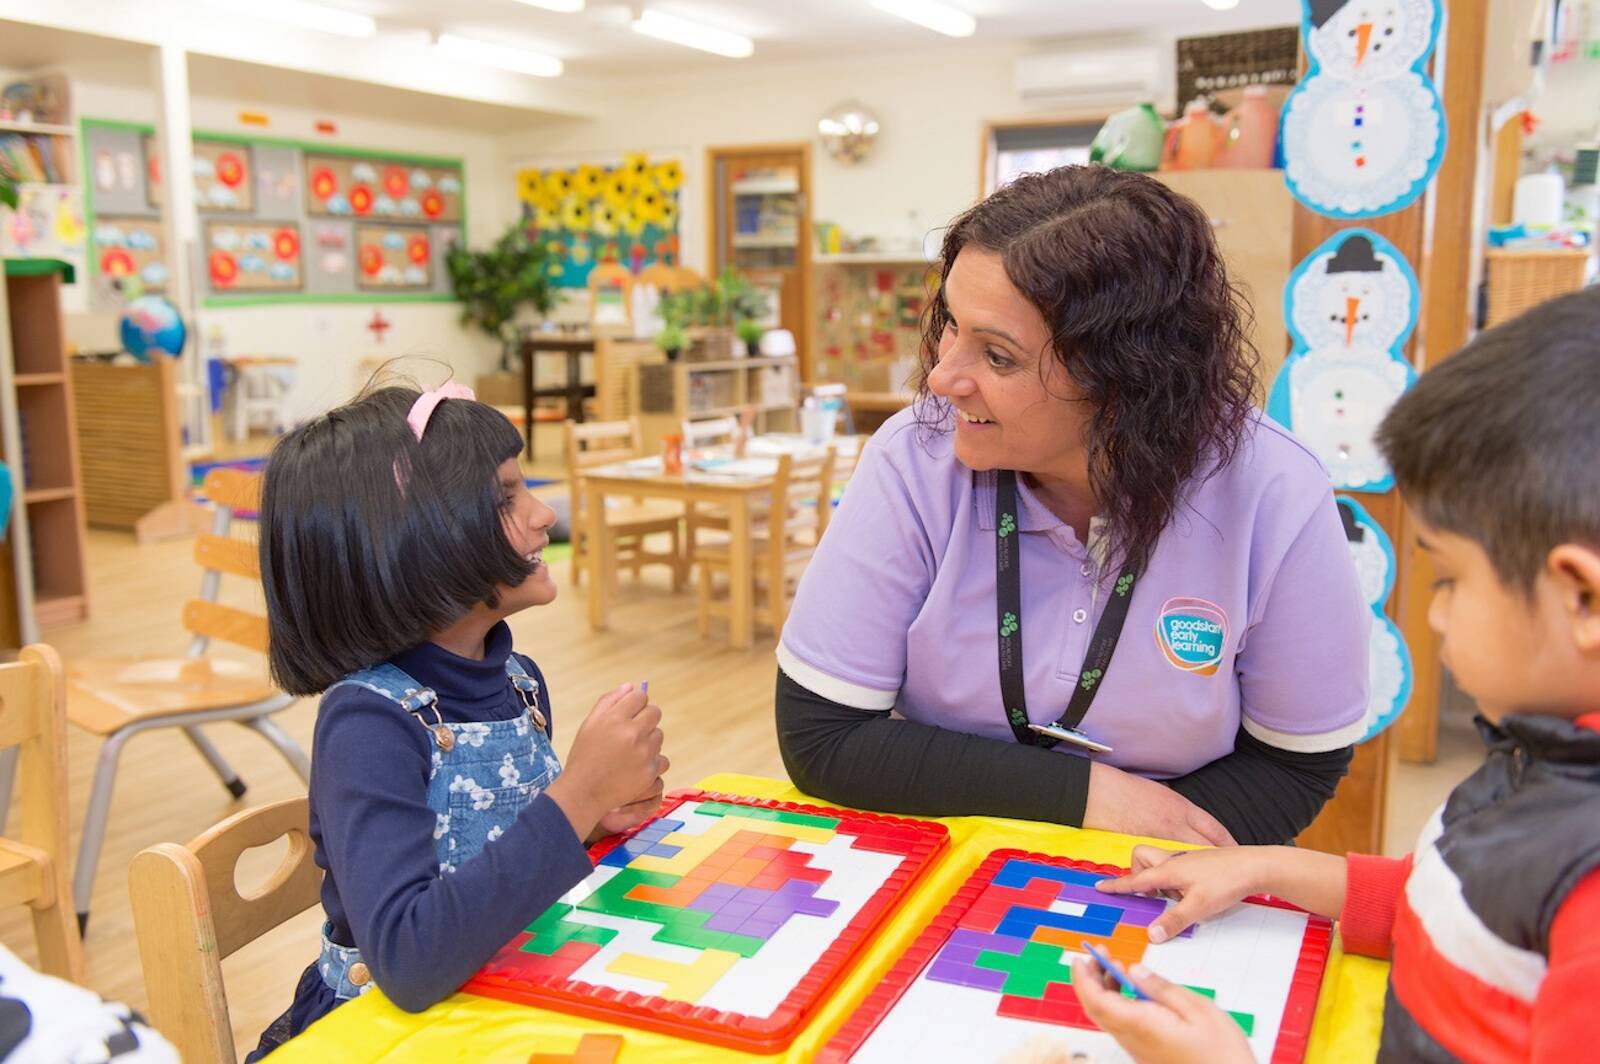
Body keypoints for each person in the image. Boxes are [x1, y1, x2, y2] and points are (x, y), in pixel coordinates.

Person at [1071, 288, 1600, 1062]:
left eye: (1450, 579)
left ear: (1580, 596)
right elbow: (1448, 909)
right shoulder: (1545, 762)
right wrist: (1266, 868)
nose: (1438, 615)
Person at [777, 166, 1370, 846]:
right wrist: (1087, 800)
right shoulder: (916, 457)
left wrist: (1111, 853)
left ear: (1128, 380)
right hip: (947, 855)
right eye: (949, 324)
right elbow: (822, 734)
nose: (943, 377)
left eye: (997, 356)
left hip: (1167, 880)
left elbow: (1294, 766)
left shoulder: (1272, 491)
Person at [246, 382, 667, 1057]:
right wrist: (578, 793)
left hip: (495, 1001)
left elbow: (502, 863)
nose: (543, 513)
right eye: (505, 499)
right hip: (382, 1033)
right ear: (411, 545)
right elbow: (410, 960)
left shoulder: (519, 682)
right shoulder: (369, 725)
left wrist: (592, 820)